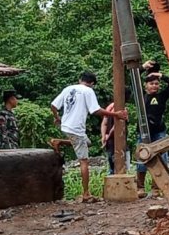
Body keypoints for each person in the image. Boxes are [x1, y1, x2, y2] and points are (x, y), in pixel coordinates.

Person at [50, 72, 127, 200]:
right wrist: (116, 115)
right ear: (92, 83)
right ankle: (86, 193)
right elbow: (96, 110)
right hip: (76, 129)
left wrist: (57, 117)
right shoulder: (88, 91)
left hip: (66, 126)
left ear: (80, 79)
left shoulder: (68, 88)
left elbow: (53, 105)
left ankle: (59, 141)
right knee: (84, 161)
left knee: (88, 143)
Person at [136, 60, 169, 197]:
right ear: (145, 85)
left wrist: (161, 75)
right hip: (143, 131)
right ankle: (140, 188)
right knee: (142, 158)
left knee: (161, 159)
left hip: (159, 131)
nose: (154, 86)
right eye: (151, 83)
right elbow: (133, 80)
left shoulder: (161, 96)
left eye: (156, 83)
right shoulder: (141, 96)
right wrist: (143, 68)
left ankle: (156, 188)